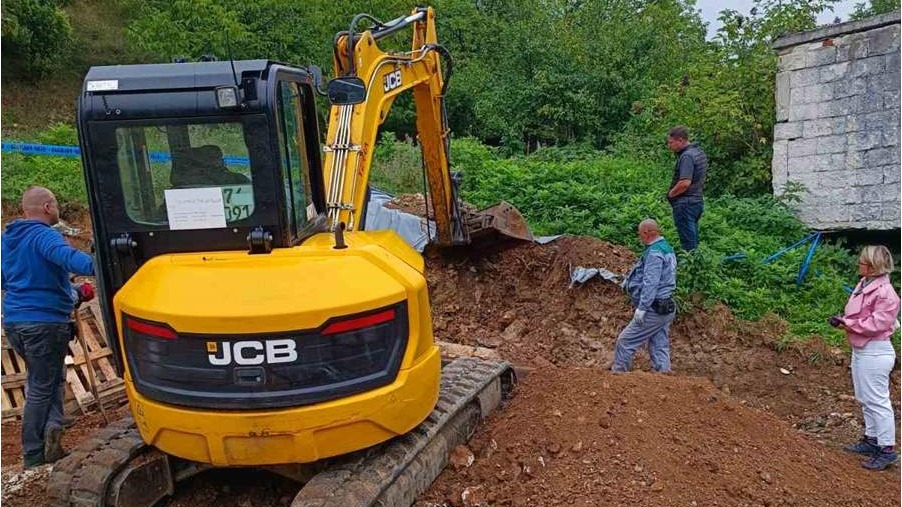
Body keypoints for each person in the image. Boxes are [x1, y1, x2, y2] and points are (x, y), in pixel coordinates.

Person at [1, 186, 95, 468]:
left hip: (16, 322)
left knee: (49, 377)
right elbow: (68, 258)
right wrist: (98, 262)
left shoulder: (8, 240)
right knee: (42, 386)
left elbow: (9, 281)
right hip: (44, 322)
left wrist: (72, 292)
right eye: (55, 205)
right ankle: (33, 453)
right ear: (46, 207)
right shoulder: (44, 235)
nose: (57, 210)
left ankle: (53, 428)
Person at [830, 245, 900, 471]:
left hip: (876, 351)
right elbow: (860, 315)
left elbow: (875, 324)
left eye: (862, 261)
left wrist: (848, 324)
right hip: (861, 349)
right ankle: (871, 439)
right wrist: (843, 321)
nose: (858, 264)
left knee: (878, 400)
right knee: (864, 396)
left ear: (873, 266)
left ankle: (887, 449)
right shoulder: (865, 284)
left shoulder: (887, 294)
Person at [611, 219, 677, 372]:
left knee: (625, 341)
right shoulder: (666, 248)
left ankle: (618, 376)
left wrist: (642, 308)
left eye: (640, 234)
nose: (640, 237)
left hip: (653, 308)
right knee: (659, 342)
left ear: (647, 233)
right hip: (665, 306)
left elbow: (651, 283)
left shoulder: (654, 252)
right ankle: (663, 375)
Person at [665, 126, 707, 251]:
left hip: (685, 204)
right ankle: (695, 262)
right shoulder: (698, 152)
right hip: (697, 201)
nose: (669, 146)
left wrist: (670, 194)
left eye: (671, 142)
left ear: (681, 140)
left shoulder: (687, 157)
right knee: (692, 236)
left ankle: (692, 266)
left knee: (688, 243)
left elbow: (684, 183)